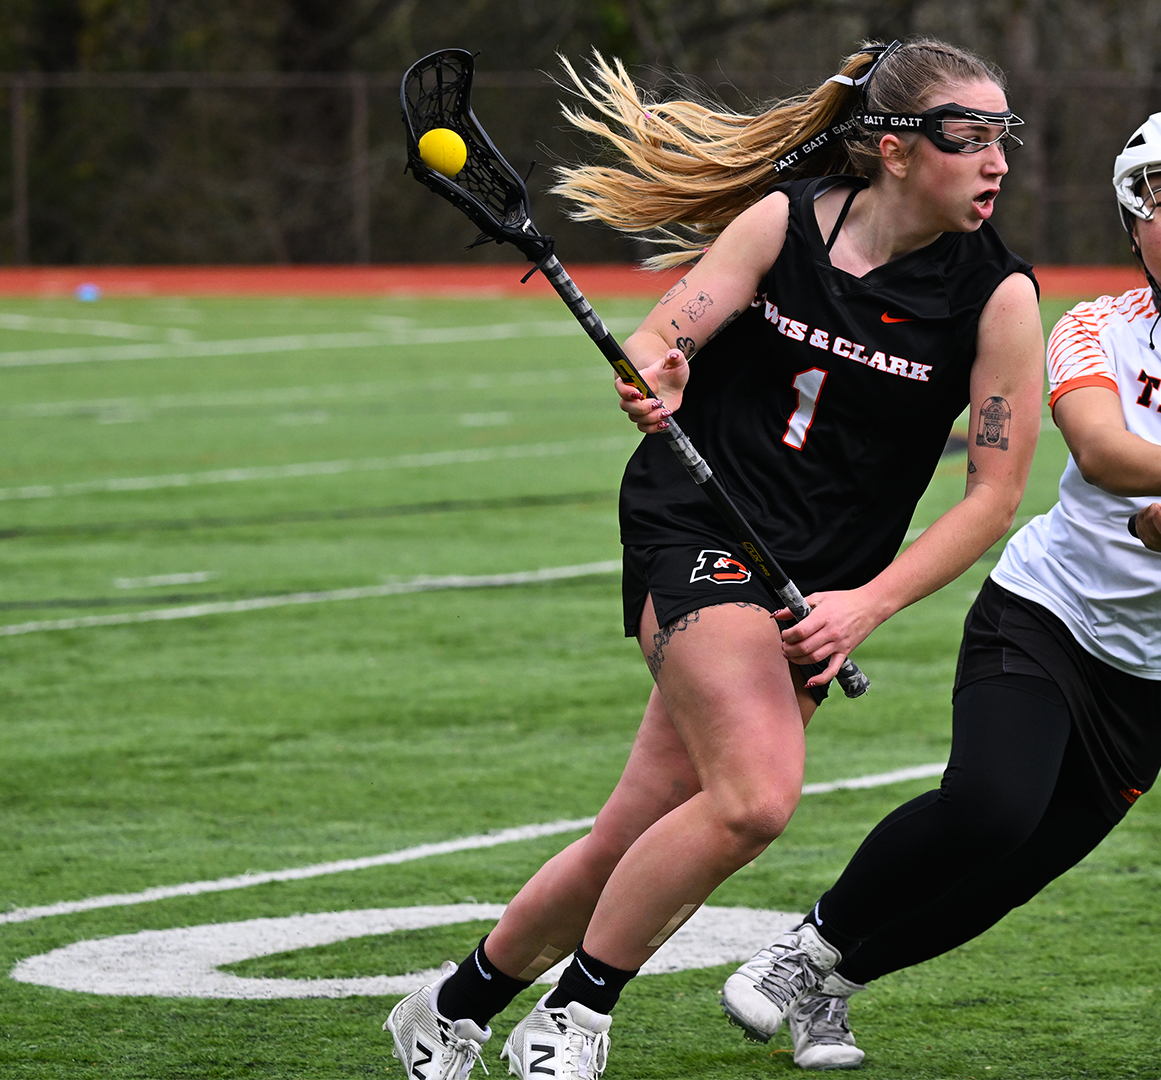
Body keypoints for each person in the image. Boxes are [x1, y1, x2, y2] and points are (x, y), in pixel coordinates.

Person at [382, 39, 1043, 1080]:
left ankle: (451, 1007)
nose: (996, 159)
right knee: (756, 796)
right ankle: (575, 1016)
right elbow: (661, 339)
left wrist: (864, 606)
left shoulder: (997, 298)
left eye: (1006, 136)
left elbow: (993, 496)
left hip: (812, 591)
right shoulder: (782, 222)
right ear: (894, 148)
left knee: (633, 834)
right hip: (695, 530)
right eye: (970, 136)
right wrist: (659, 374)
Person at [718, 108, 1161, 1070]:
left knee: (1014, 872)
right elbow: (1100, 453)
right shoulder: (1094, 326)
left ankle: (833, 986)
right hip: (1046, 612)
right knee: (992, 808)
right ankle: (802, 946)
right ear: (1132, 226)